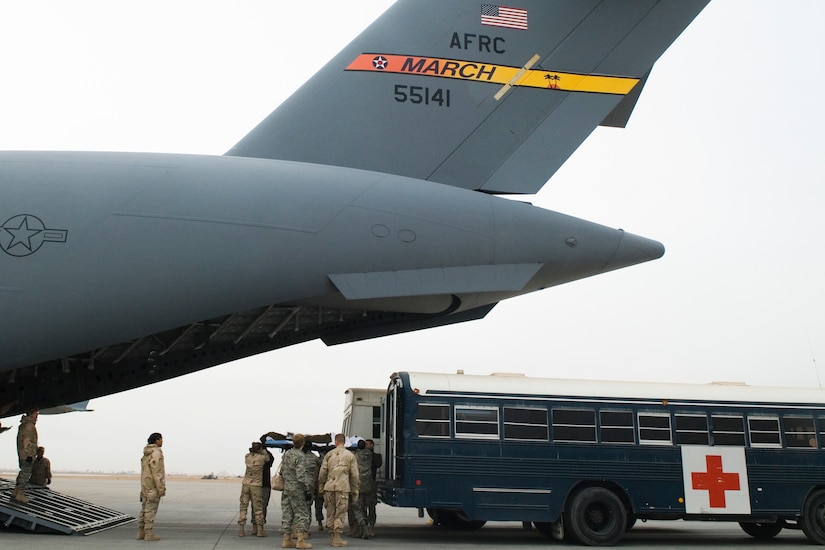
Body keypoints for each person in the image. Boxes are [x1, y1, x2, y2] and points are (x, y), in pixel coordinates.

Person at [318, 433, 359, 547]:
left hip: (329, 487)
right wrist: (355, 490)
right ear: (344, 442)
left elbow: (322, 473)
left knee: (330, 512)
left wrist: (321, 486)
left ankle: (332, 535)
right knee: (340, 513)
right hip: (342, 487)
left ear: (335, 442)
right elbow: (355, 475)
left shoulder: (329, 454)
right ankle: (337, 538)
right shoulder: (350, 455)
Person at [281, 433, 312, 549]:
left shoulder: (287, 454)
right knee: (302, 514)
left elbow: (282, 471)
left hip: (287, 488)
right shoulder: (300, 456)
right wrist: (307, 490)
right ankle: (300, 540)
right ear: (302, 443)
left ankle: (286, 539)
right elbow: (300, 476)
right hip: (297, 489)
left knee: (287, 513)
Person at [138, 432, 166, 542]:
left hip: (145, 486)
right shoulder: (156, 453)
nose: (162, 441)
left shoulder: (146, 453)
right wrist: (160, 488)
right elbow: (157, 472)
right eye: (161, 439)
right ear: (157, 440)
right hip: (152, 487)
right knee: (151, 510)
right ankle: (148, 534)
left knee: (144, 509)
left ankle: (141, 532)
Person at [239, 441, 268, 538]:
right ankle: (260, 530)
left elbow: (249, 454)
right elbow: (268, 458)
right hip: (256, 485)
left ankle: (241, 530)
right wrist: (263, 450)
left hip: (246, 484)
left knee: (243, 507)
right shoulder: (262, 458)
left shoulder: (247, 457)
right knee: (258, 508)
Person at [13, 406, 39, 504]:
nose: (37, 416)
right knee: (26, 473)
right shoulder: (29, 426)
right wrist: (30, 454)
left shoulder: (24, 424)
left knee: (23, 472)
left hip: (22, 452)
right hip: (27, 454)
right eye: (36, 414)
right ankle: (20, 494)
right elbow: (27, 440)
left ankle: (16, 491)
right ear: (31, 413)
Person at [301, 440, 322, 534]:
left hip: (298, 484)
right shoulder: (314, 458)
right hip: (309, 485)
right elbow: (321, 465)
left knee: (296, 507)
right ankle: (306, 528)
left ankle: (296, 528)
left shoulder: (296, 456)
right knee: (307, 507)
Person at [364, 439, 382, 536]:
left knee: (371, 505)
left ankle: (371, 526)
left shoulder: (375, 456)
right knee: (362, 505)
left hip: (371, 482)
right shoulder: (361, 455)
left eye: (367, 444)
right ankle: (363, 526)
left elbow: (378, 464)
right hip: (362, 483)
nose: (365, 446)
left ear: (372, 445)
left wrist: (370, 454)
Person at [260, 441, 275, 524]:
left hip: (257, 485)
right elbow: (269, 459)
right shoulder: (265, 457)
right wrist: (265, 450)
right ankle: (260, 524)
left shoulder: (251, 457)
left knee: (256, 506)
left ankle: (257, 525)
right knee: (263, 505)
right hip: (264, 485)